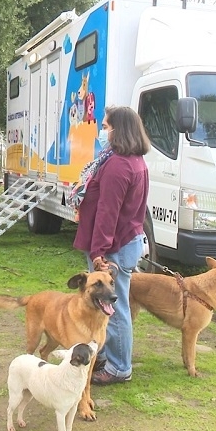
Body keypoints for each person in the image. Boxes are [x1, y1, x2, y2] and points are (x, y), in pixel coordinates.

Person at [72, 106, 150, 385]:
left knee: (113, 309)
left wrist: (98, 253)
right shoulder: (135, 160)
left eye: (106, 127)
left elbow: (108, 212)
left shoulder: (119, 165)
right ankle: (103, 355)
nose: (103, 131)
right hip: (125, 241)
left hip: (113, 246)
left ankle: (118, 368)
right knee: (111, 306)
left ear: (120, 129)